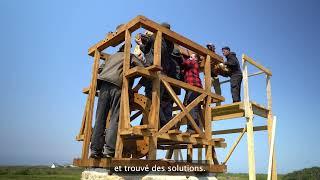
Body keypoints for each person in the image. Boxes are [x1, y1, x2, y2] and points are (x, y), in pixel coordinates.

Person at [90, 44, 143, 158]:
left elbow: (99, 69)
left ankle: (95, 151)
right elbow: (142, 67)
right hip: (117, 86)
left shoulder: (112, 56)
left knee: (100, 118)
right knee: (115, 117)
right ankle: (109, 151)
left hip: (103, 85)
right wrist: (138, 59)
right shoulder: (130, 56)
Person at [181, 53, 203, 134]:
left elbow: (184, 63)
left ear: (196, 59)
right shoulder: (191, 65)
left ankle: (193, 129)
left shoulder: (193, 62)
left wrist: (184, 58)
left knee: (192, 107)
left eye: (191, 57)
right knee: (191, 107)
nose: (190, 58)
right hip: (192, 87)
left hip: (194, 87)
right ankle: (193, 128)